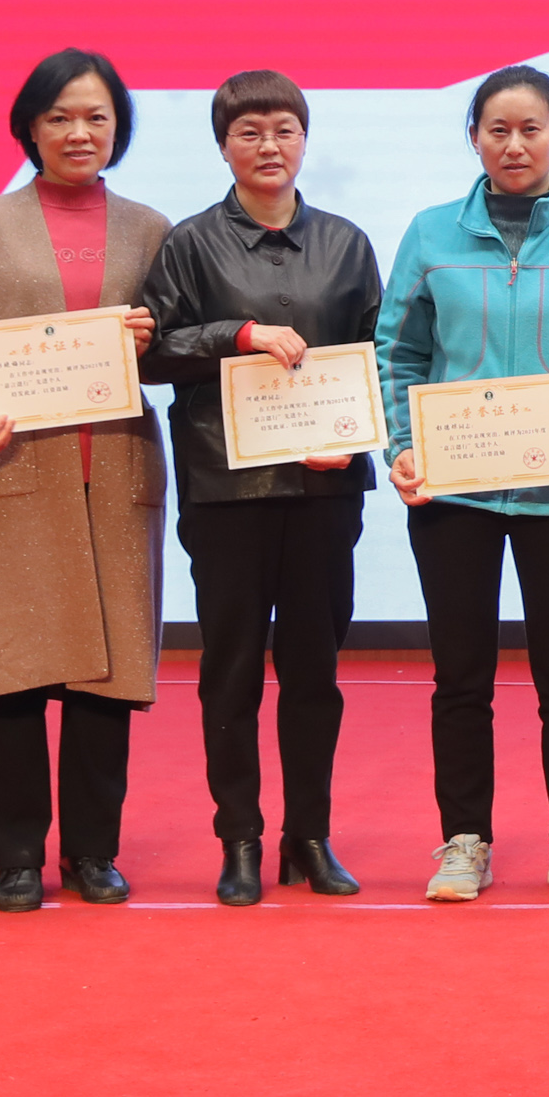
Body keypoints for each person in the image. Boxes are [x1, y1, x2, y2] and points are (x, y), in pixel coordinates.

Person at [0, 49, 171, 910]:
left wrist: (154, 340)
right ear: (29, 126)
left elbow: (175, 352)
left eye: (97, 116)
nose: (78, 132)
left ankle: (93, 852)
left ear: (119, 126)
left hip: (116, 470)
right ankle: (17, 856)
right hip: (10, 469)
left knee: (107, 675)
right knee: (16, 671)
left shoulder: (151, 228)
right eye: (59, 116)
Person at [379, 65, 549, 903]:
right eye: (498, 129)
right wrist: (403, 446)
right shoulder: (429, 233)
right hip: (453, 494)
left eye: (531, 128)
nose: (515, 144)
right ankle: (465, 840)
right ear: (474, 137)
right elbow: (399, 352)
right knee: (461, 676)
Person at [139, 70, 380, 906]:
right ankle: (238, 836)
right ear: (223, 145)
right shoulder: (189, 243)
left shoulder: (347, 242)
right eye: (249, 131)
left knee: (314, 669)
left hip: (324, 489)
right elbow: (151, 351)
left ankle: (308, 835)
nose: (269, 145)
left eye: (284, 128)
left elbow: (375, 356)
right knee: (231, 669)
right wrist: (236, 333)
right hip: (226, 488)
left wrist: (350, 439)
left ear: (305, 139)